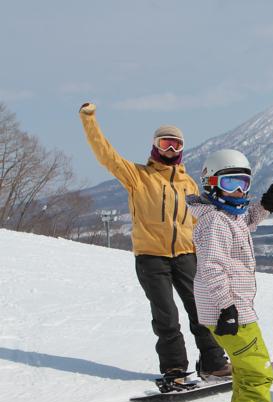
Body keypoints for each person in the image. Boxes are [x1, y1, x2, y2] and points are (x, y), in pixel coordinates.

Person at [78, 102, 230, 381]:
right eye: (165, 143)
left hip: (186, 255)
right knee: (166, 316)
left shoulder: (190, 185)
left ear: (182, 148)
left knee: (201, 311)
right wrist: (89, 120)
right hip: (151, 257)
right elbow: (106, 156)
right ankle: (174, 368)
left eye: (175, 144)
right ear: (155, 146)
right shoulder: (138, 176)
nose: (170, 150)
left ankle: (213, 362)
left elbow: (201, 224)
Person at [187, 149, 273, 402]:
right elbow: (212, 266)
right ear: (212, 184)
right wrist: (226, 306)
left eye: (244, 183)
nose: (239, 191)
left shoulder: (228, 215)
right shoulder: (214, 222)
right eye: (231, 184)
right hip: (228, 310)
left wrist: (263, 209)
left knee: (245, 369)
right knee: (258, 372)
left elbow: (243, 224)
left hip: (234, 308)